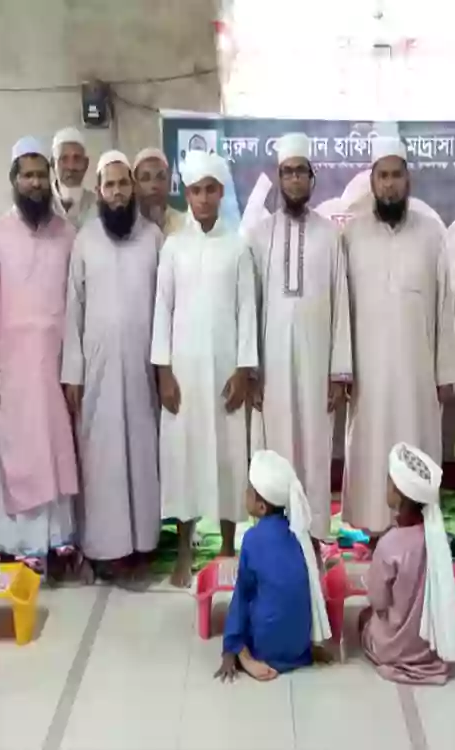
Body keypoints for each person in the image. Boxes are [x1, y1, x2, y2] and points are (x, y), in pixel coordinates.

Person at [0, 136, 82, 581]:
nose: (35, 183)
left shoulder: (68, 235)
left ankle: (56, 546)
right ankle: (17, 549)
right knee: (16, 459)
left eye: (41, 175)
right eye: (27, 175)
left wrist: (75, 370)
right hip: (10, 374)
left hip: (56, 369)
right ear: (14, 180)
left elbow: (77, 307)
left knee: (56, 455)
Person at [150, 149, 258, 589]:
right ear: (188, 194)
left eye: (211, 189)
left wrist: (244, 371)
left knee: (229, 458)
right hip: (183, 377)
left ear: (221, 191)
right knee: (183, 459)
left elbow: (247, 310)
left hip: (225, 374)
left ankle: (229, 549)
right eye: (196, 190)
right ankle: (184, 550)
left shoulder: (238, 247)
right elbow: (162, 310)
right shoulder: (173, 247)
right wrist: (163, 372)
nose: (204, 198)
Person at [342, 137, 455, 539]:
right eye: (383, 176)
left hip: (417, 373)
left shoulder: (431, 234)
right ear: (371, 181)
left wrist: (446, 372)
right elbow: (343, 311)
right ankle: (376, 534)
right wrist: (342, 370)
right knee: (372, 450)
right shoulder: (352, 235)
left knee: (416, 444)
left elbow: (445, 305)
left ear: (409, 179)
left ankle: (415, 533)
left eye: (396, 175)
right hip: (368, 374)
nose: (390, 184)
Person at [247, 132, 352, 556]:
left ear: (312, 179)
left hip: (316, 363)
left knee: (313, 445)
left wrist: (339, 370)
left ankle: (311, 537)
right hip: (270, 366)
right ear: (278, 177)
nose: (293, 180)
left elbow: (342, 304)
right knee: (274, 447)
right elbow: (248, 306)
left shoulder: (331, 236)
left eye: (300, 172)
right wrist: (249, 367)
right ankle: (273, 536)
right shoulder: (257, 236)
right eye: (287, 172)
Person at [61, 151, 163, 584]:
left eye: (124, 184)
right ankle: (104, 548)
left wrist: (165, 368)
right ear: (99, 191)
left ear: (133, 189)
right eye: (110, 185)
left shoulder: (154, 238)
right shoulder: (84, 240)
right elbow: (73, 311)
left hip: (144, 368)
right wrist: (73, 373)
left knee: (142, 453)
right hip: (98, 372)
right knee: (101, 459)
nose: (118, 192)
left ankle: (143, 544)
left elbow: (166, 307)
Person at [215, 450, 331, 682]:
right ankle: (302, 650)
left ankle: (243, 656)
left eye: (250, 490)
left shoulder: (252, 539)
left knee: (244, 596)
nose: (245, 493)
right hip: (299, 649)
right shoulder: (301, 535)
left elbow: (242, 596)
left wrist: (230, 646)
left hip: (265, 648)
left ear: (261, 508)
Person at [360, 443, 455, 684]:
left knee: (364, 620)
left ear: (397, 492)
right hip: (430, 647)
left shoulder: (390, 543)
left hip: (394, 647)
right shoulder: (439, 539)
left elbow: (378, 600)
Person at [133, 147, 184, 236]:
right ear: (135, 186)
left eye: (161, 177)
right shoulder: (129, 228)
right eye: (145, 178)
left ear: (169, 181)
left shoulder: (184, 224)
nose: (154, 185)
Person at [51, 127, 95, 228]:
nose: (71, 167)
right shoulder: (41, 204)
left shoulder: (97, 206)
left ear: (86, 164)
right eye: (63, 159)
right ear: (53, 164)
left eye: (77, 159)